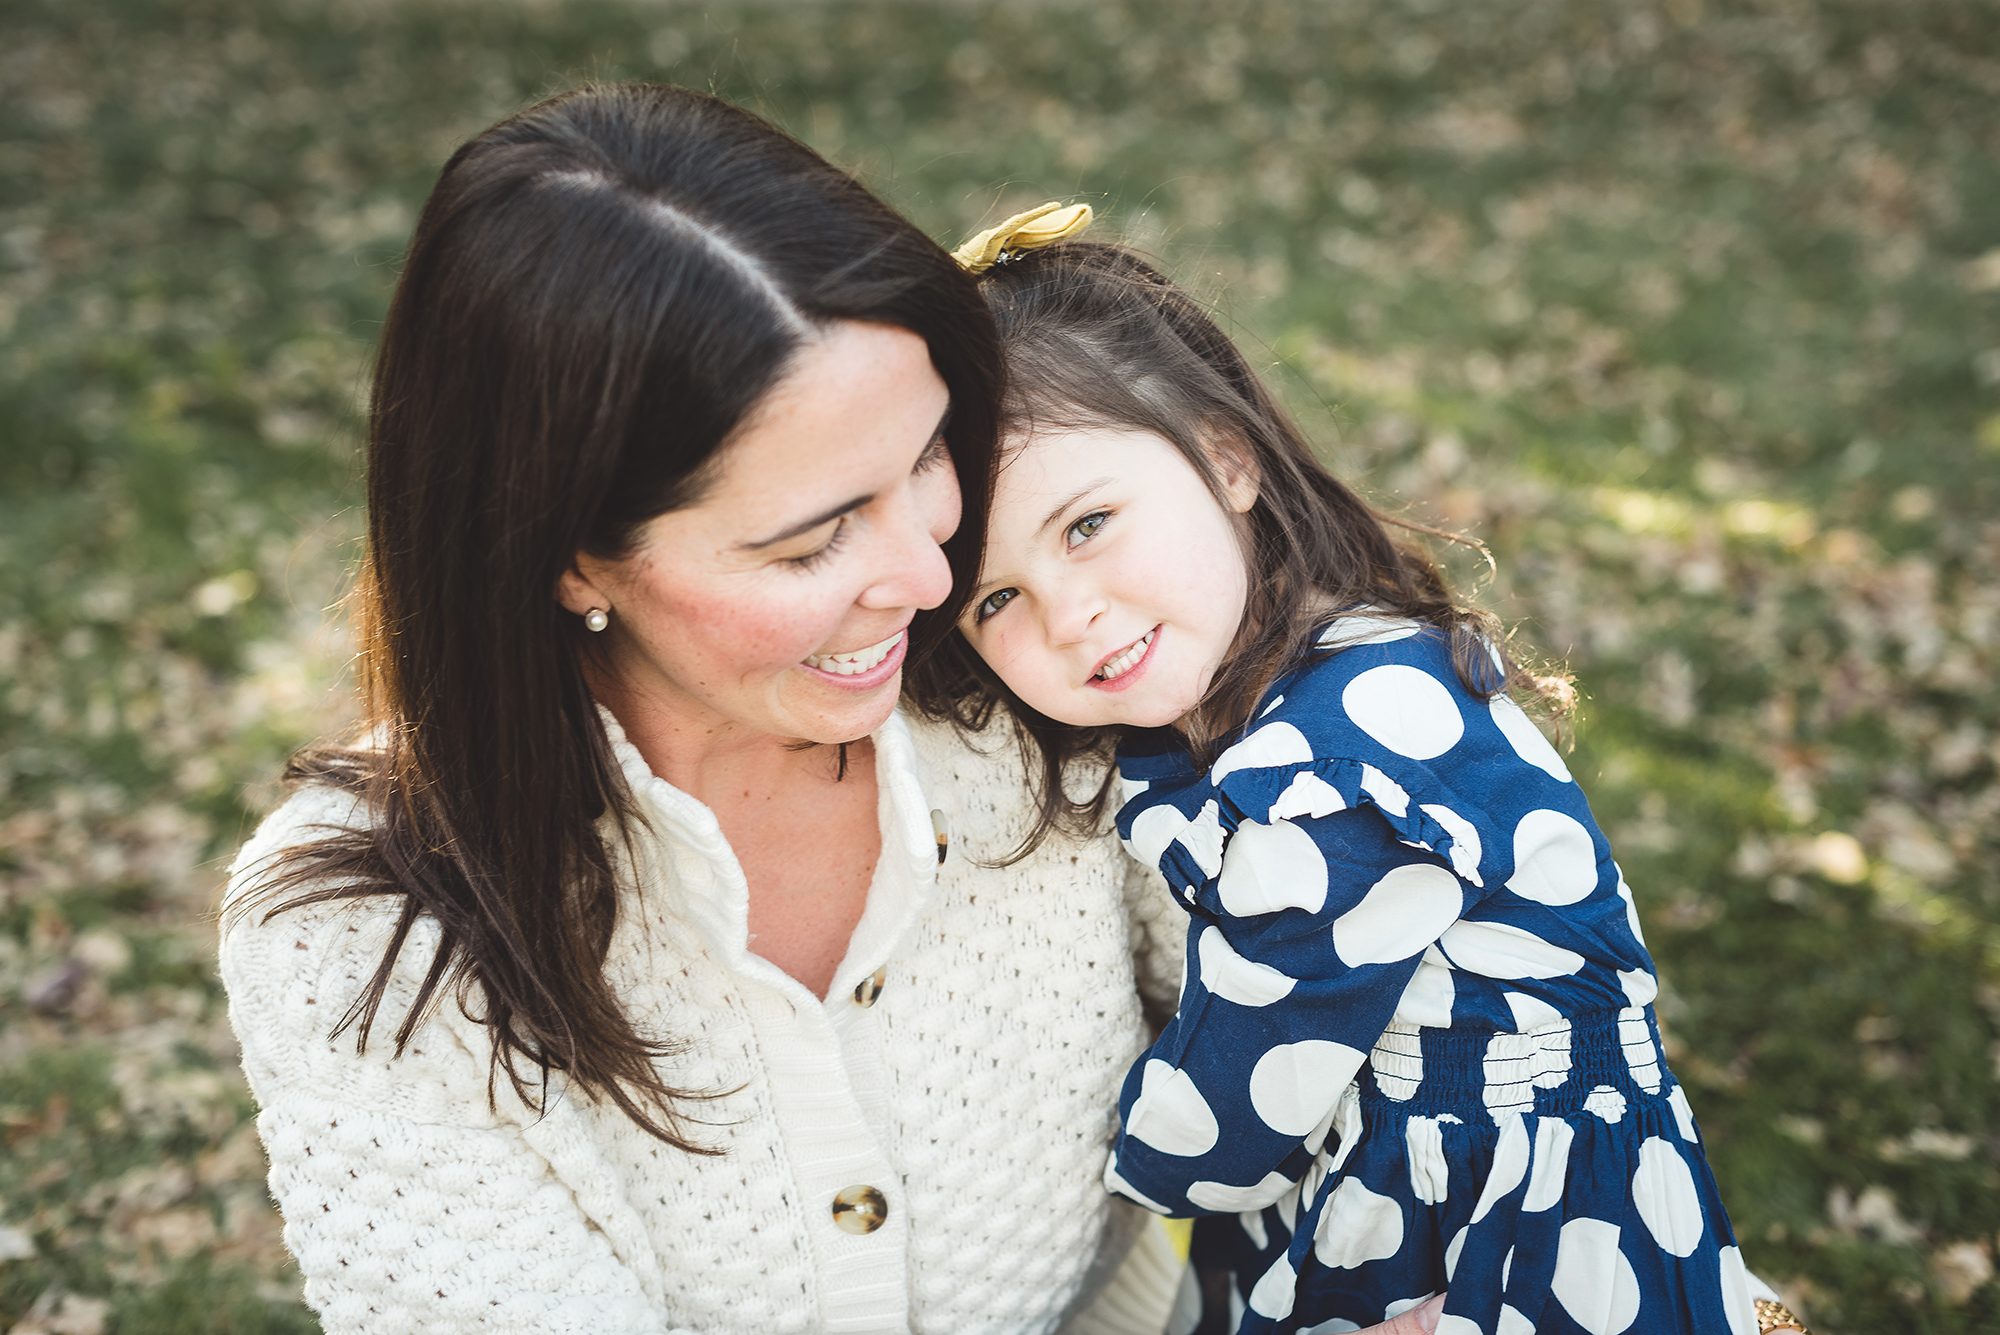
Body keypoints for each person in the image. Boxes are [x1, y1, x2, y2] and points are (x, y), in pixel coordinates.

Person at [219, 85, 1451, 1335]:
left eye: (926, 461)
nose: (931, 580)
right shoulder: (365, 937)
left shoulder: (1033, 696)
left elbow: (1385, 1024)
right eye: (811, 542)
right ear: (572, 556)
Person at [943, 223, 1808, 1335]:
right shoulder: (1333, 660)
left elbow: (1232, 1128)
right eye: (993, 599)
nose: (1067, 614)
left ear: (1227, 460)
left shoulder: (1331, 777)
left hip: (1493, 1220)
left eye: (1089, 524)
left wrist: (1113, 1153)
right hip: (1407, 1152)